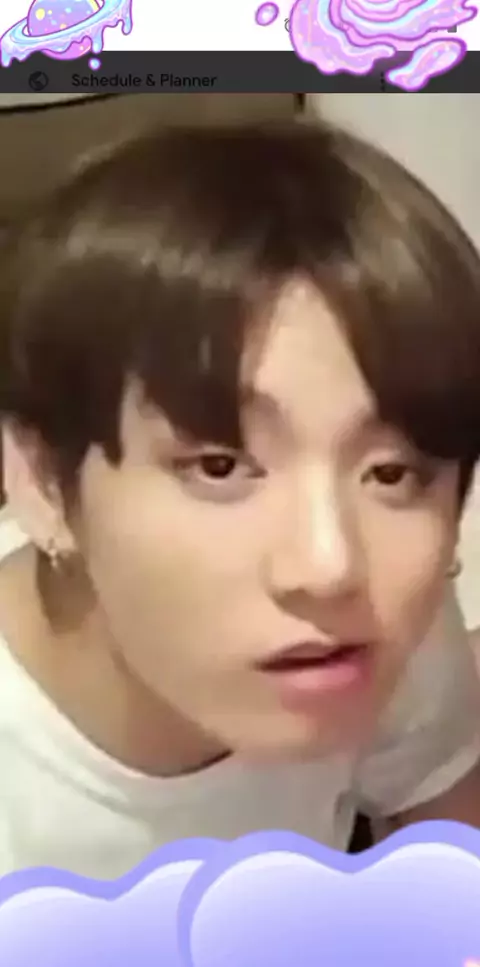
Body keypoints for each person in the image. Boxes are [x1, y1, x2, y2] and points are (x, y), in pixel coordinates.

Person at [0, 118, 479, 880]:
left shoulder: (378, 628)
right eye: (220, 466)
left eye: (391, 474)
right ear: (41, 483)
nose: (329, 565)